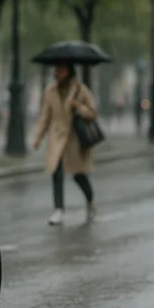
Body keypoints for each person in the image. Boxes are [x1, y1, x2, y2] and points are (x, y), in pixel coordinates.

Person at [32, 62, 97, 225]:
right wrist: (38, 137)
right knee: (56, 172)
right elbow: (45, 116)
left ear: (69, 71)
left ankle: (90, 201)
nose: (58, 73)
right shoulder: (50, 91)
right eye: (56, 70)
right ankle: (58, 209)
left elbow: (92, 112)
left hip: (74, 139)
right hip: (57, 137)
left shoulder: (80, 89)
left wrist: (78, 106)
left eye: (61, 69)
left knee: (78, 174)